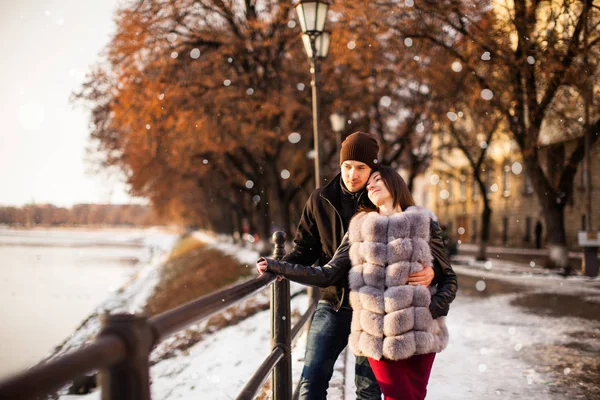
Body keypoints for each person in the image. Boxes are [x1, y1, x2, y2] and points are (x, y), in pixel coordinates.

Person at [258, 166, 458, 400]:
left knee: (413, 397)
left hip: (422, 332)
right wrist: (278, 266)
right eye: (369, 183)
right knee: (396, 394)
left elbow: (449, 278)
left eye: (377, 179)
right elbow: (327, 273)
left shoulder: (424, 223)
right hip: (378, 336)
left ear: (394, 183)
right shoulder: (360, 227)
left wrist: (430, 311)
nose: (370, 185)